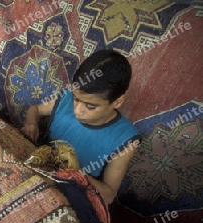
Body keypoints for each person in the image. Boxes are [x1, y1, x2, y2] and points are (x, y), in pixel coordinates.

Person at [21, 49, 140, 204]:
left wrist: (75, 174)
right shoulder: (66, 100)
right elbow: (35, 109)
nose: (77, 111)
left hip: (71, 196)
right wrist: (31, 123)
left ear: (117, 101)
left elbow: (109, 195)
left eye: (90, 106)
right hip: (36, 172)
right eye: (76, 99)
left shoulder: (124, 139)